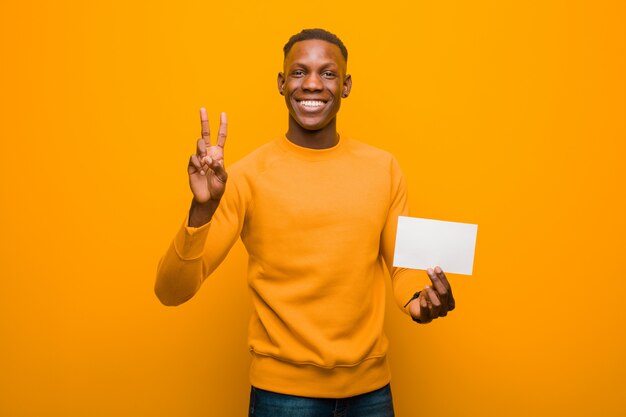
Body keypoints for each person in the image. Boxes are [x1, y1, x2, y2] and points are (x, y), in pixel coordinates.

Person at [155, 28, 455, 417]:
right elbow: (171, 291)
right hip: (281, 397)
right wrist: (201, 211)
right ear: (282, 83)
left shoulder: (383, 168)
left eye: (327, 73)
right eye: (299, 72)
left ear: (346, 86)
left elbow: (402, 267)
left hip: (371, 393)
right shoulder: (245, 176)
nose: (312, 84)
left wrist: (419, 300)